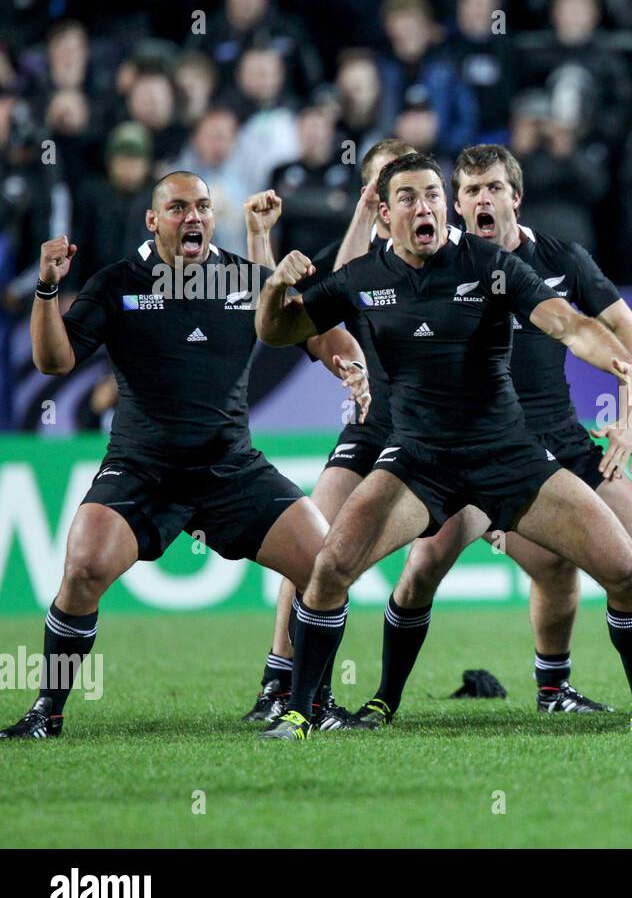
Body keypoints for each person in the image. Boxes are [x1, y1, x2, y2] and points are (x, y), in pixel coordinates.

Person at [254, 153, 632, 738]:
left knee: (630, 571)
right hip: (418, 462)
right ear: (385, 214)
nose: (427, 207)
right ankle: (299, 710)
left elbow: (565, 322)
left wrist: (620, 365)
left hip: (509, 457)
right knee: (332, 566)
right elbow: (278, 330)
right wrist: (275, 288)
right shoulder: (362, 278)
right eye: (411, 198)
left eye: (435, 195)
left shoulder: (489, 263)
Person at [0, 171, 366, 739]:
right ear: (153, 221)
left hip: (231, 469)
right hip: (142, 469)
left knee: (325, 566)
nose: (192, 217)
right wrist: (47, 289)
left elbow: (318, 335)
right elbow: (55, 361)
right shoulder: (118, 283)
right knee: (83, 569)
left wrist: (351, 365)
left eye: (200, 207)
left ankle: (308, 701)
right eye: (176, 208)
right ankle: (47, 712)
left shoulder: (246, 281)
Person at [240, 139, 414, 726]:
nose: (402, 192)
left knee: (427, 562)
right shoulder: (343, 259)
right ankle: (283, 684)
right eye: (384, 183)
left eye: (413, 178)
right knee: (316, 544)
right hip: (372, 425)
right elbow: (290, 315)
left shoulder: (449, 254)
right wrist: (262, 243)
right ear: (372, 198)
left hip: (442, 432)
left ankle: (553, 681)